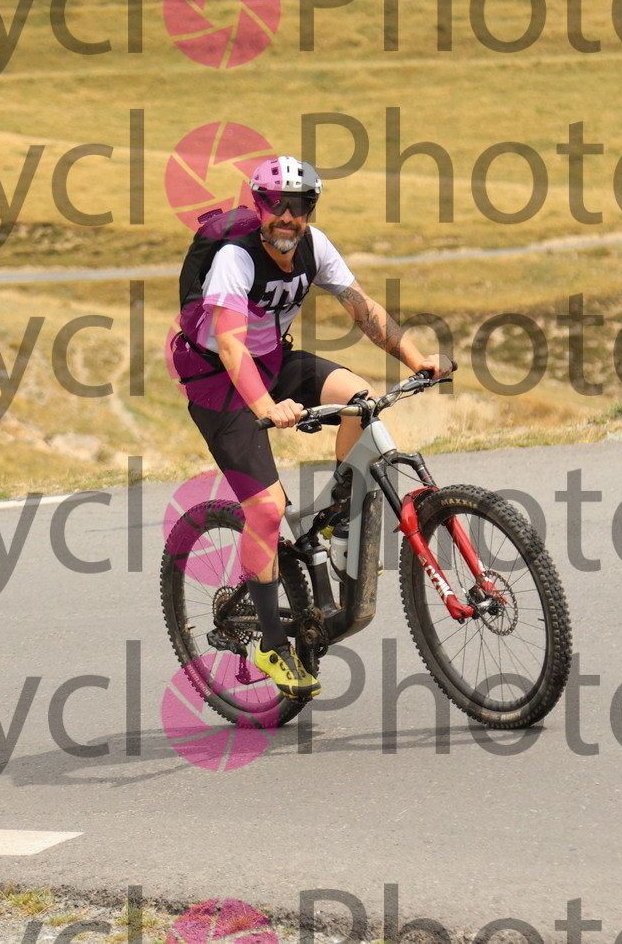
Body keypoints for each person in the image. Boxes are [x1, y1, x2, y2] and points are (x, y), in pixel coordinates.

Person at [172, 156, 449, 700]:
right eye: (276, 204)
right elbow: (229, 344)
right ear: (259, 205)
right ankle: (273, 645)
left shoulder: (314, 246)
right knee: (267, 510)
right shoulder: (235, 257)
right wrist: (267, 406)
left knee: (359, 401)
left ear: (310, 211)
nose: (287, 216)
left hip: (272, 360)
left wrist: (416, 358)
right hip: (217, 380)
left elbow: (362, 309)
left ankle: (335, 520)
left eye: (299, 206)